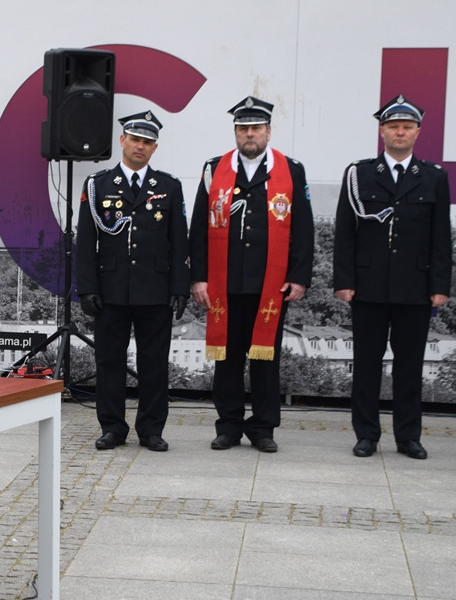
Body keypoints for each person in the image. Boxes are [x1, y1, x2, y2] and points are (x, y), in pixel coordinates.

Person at [189, 96, 313, 453]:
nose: (249, 134)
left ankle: (263, 428)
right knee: (226, 359)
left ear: (268, 132)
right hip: (224, 283)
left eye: (256, 128)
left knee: (265, 360)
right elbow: (199, 227)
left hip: (269, 284)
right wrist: (199, 277)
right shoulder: (215, 169)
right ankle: (228, 426)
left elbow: (303, 228)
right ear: (235, 132)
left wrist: (299, 276)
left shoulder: (290, 170)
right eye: (243, 128)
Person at [333, 94, 451, 460]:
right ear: (382, 131)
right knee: (366, 365)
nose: (400, 132)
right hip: (367, 287)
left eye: (407, 127)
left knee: (409, 367)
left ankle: (408, 437)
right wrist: (344, 281)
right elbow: (345, 233)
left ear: (418, 132)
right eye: (394, 126)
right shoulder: (360, 174)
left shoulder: (433, 177)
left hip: (415, 288)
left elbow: (440, 238)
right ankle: (366, 435)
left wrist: (439, 286)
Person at [77, 111, 189, 452]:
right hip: (110, 289)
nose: (140, 146)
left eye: (147, 142)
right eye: (135, 139)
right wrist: (87, 287)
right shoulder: (97, 185)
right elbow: (85, 241)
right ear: (122, 140)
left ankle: (151, 430)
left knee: (153, 364)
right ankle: (112, 427)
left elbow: (179, 242)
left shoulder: (169, 187)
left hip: (155, 290)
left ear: (155, 147)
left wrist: (180, 287)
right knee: (109, 362)